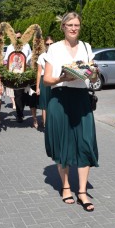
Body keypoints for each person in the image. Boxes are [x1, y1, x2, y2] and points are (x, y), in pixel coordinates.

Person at [44, 12, 99, 212]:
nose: (74, 28)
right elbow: (47, 80)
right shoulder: (55, 49)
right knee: (64, 144)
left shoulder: (86, 47)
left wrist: (94, 74)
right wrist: (63, 78)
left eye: (76, 25)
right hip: (60, 99)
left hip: (81, 99)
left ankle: (82, 192)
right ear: (63, 27)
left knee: (85, 142)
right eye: (70, 25)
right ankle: (66, 187)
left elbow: (92, 79)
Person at [4, 31, 32, 123]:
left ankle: (21, 109)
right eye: (16, 38)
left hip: (26, 73)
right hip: (15, 75)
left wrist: (27, 64)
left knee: (24, 95)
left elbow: (30, 56)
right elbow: (6, 60)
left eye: (19, 37)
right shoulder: (10, 47)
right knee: (17, 94)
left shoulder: (27, 46)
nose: (18, 39)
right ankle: (19, 114)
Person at [36, 36, 54, 129]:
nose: (49, 46)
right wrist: (37, 87)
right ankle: (45, 125)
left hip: (54, 80)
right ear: (44, 45)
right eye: (47, 44)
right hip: (44, 80)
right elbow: (39, 72)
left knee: (53, 103)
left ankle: (53, 124)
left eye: (51, 44)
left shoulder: (57, 55)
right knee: (44, 105)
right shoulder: (42, 56)